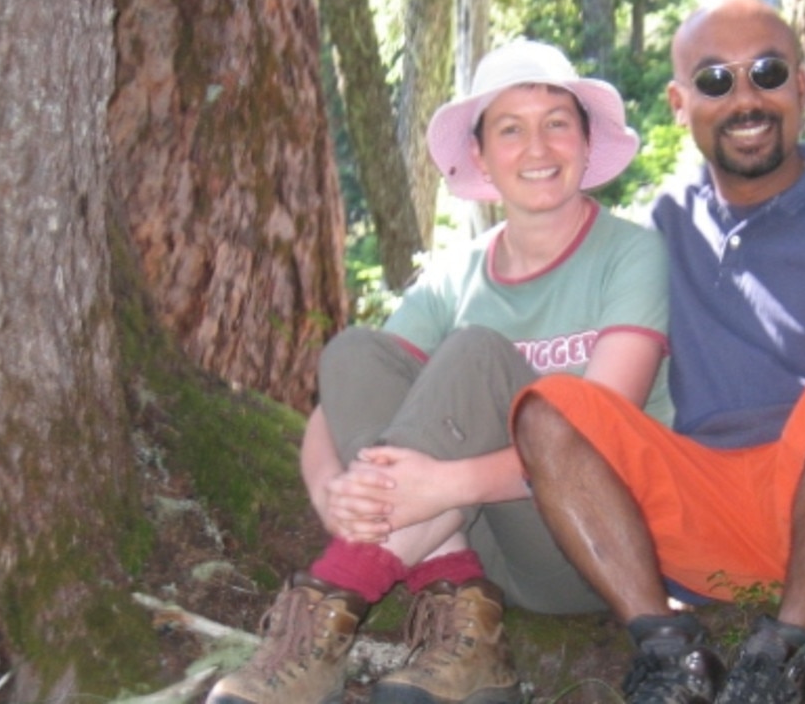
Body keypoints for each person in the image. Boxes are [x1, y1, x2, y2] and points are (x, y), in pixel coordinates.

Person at [511, 0, 805, 704]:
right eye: (715, 80)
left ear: (802, 87)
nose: (745, 98)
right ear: (678, 101)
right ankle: (667, 650)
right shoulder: (659, 228)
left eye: (767, 71)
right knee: (550, 408)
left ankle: (779, 654)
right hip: (702, 525)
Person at [206, 39, 672, 704]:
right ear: (481, 155)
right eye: (511, 129)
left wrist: (443, 482)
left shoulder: (634, 255)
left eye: (557, 124)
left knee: (477, 353)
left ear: (587, 142)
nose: (537, 149)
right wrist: (334, 490)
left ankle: (320, 622)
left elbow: (598, 434)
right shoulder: (458, 274)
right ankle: (466, 631)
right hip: (485, 541)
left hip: (594, 544)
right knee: (354, 351)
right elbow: (337, 402)